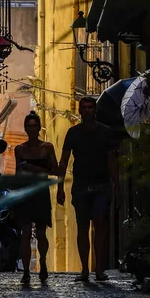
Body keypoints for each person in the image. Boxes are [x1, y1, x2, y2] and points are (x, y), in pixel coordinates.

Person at [57, 96, 121, 282]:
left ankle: (99, 268)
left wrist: (117, 187)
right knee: (82, 226)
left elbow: (111, 161)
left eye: (90, 107)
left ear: (95, 110)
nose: (87, 110)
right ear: (80, 111)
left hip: (102, 185)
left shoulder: (106, 132)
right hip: (81, 186)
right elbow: (64, 161)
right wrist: (60, 187)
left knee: (100, 224)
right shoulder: (73, 133)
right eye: (84, 108)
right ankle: (85, 269)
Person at [14, 111, 58, 284]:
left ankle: (43, 262)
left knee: (41, 232)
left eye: (35, 126)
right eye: (29, 126)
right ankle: (25, 270)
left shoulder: (47, 147)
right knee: (25, 233)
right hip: (25, 192)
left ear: (39, 128)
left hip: (40, 192)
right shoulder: (19, 149)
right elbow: (18, 173)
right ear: (25, 128)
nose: (32, 129)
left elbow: (55, 170)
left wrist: (36, 169)